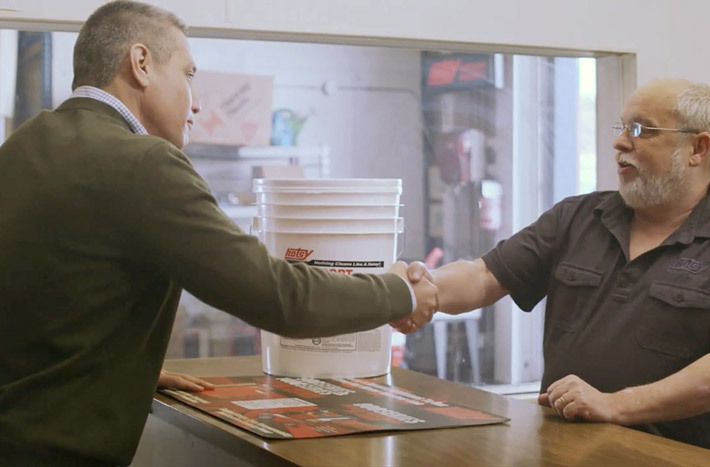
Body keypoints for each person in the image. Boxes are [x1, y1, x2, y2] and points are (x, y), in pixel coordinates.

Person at [0, 1, 436, 465]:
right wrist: (398, 293)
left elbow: (49, 297)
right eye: (188, 74)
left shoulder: (22, 146)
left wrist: (127, 363)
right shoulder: (143, 163)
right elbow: (276, 296)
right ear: (141, 63)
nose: (197, 100)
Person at [394, 78, 710, 454]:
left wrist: (615, 406)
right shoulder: (578, 216)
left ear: (698, 149)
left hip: (674, 458)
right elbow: (484, 277)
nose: (620, 142)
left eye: (642, 130)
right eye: (622, 127)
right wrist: (414, 289)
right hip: (563, 451)